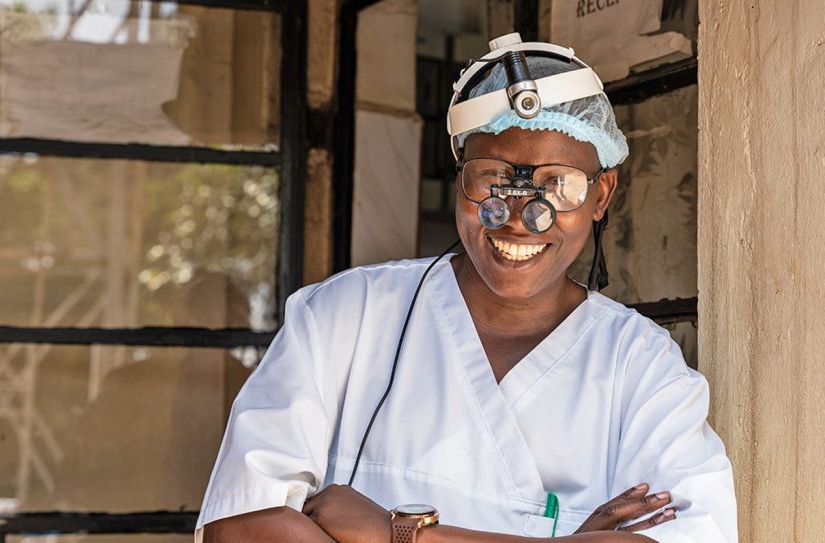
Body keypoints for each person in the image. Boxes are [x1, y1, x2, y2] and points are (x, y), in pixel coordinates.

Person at [195, 35, 737, 543]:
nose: (520, 218)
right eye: (493, 178)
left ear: (601, 196)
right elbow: (242, 524)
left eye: (558, 186)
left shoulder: (641, 366)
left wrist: (399, 533)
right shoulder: (345, 315)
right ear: (460, 178)